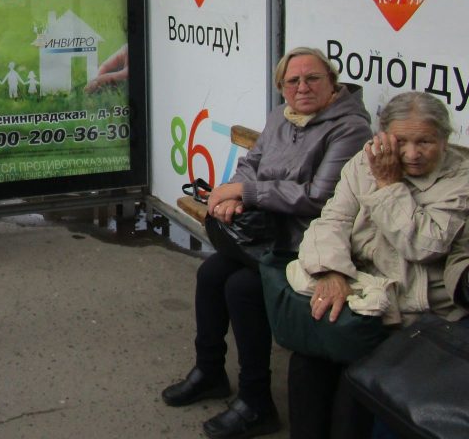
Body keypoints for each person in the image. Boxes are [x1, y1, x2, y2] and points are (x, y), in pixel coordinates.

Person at [161, 46, 372, 439]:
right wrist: (233, 195)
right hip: (267, 232)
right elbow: (250, 164)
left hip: (313, 240)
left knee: (243, 288)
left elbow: (318, 195)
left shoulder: (350, 127)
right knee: (210, 274)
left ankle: (257, 402)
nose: (303, 87)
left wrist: (248, 192)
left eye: (313, 78)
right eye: (293, 81)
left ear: (332, 81)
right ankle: (209, 371)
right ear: (281, 86)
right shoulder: (281, 116)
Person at [287, 91, 469, 439]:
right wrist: (332, 271)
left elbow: (422, 245)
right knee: (308, 362)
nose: (412, 154)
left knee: (354, 385)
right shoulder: (364, 161)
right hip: (363, 294)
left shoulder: (460, 179)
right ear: (383, 137)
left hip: (420, 315)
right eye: (400, 141)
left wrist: (388, 184)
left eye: (425, 142)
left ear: (444, 140)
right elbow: (333, 219)